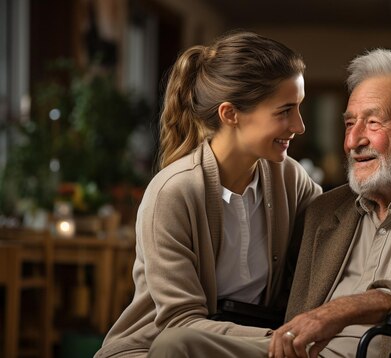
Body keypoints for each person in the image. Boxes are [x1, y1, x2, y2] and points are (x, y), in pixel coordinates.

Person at [147, 49, 391, 358]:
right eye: (348, 124)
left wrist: (366, 303)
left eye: (373, 123)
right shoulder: (326, 209)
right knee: (176, 344)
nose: (353, 141)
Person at [95, 31, 322, 358]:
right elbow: (180, 322)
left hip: (247, 345)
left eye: (298, 108)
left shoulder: (290, 178)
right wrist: (285, 338)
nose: (299, 125)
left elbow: (331, 233)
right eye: (285, 110)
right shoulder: (173, 193)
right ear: (230, 114)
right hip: (155, 349)